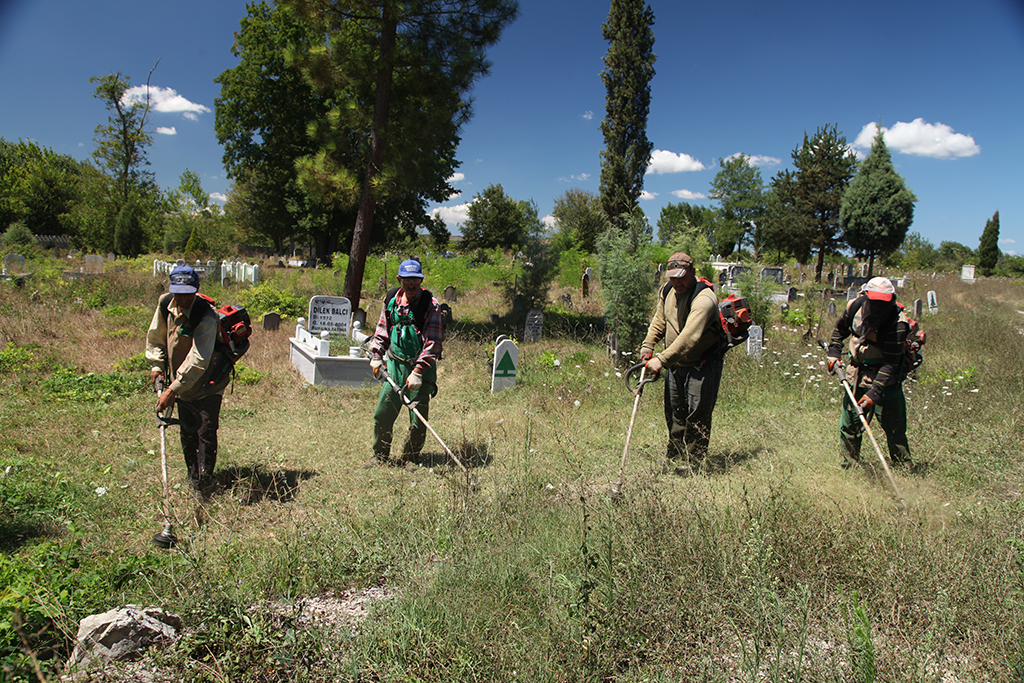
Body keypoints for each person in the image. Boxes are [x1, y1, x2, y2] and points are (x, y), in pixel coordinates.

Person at [639, 252, 727, 475]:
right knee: (675, 411)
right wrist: (649, 344)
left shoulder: (705, 299)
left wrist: (662, 359)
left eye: (682, 277)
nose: (677, 282)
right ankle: (676, 452)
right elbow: (660, 319)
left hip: (702, 363)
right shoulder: (667, 290)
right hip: (677, 364)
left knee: (696, 414)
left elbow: (690, 336)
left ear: (693, 273)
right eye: (673, 278)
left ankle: (694, 462)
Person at [146, 264, 230, 490]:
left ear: (197, 289)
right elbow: (156, 336)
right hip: (181, 382)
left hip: (209, 380)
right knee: (187, 428)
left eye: (188, 293)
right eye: (178, 292)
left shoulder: (206, 315)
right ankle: (192, 475)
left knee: (205, 429)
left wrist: (172, 391)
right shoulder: (165, 304)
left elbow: (198, 359)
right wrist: (157, 365)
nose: (182, 298)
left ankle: (204, 480)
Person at [826, 276, 913, 470]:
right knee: (850, 425)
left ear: (891, 299)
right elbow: (840, 330)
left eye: (884, 302)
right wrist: (833, 353)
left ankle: (904, 469)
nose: (879, 306)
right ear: (866, 296)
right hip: (857, 376)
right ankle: (851, 466)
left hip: (886, 382)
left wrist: (874, 393)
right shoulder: (855, 306)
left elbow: (891, 363)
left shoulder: (897, 323)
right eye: (875, 301)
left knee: (895, 429)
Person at [368, 259, 443, 465]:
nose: (411, 285)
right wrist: (377, 356)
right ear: (399, 279)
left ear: (421, 280)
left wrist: (418, 371)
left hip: (421, 370)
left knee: (418, 419)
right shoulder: (391, 299)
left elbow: (433, 342)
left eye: (415, 281)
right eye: (407, 280)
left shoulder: (430, 305)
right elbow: (382, 330)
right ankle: (380, 456)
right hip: (394, 366)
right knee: (382, 415)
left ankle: (411, 457)